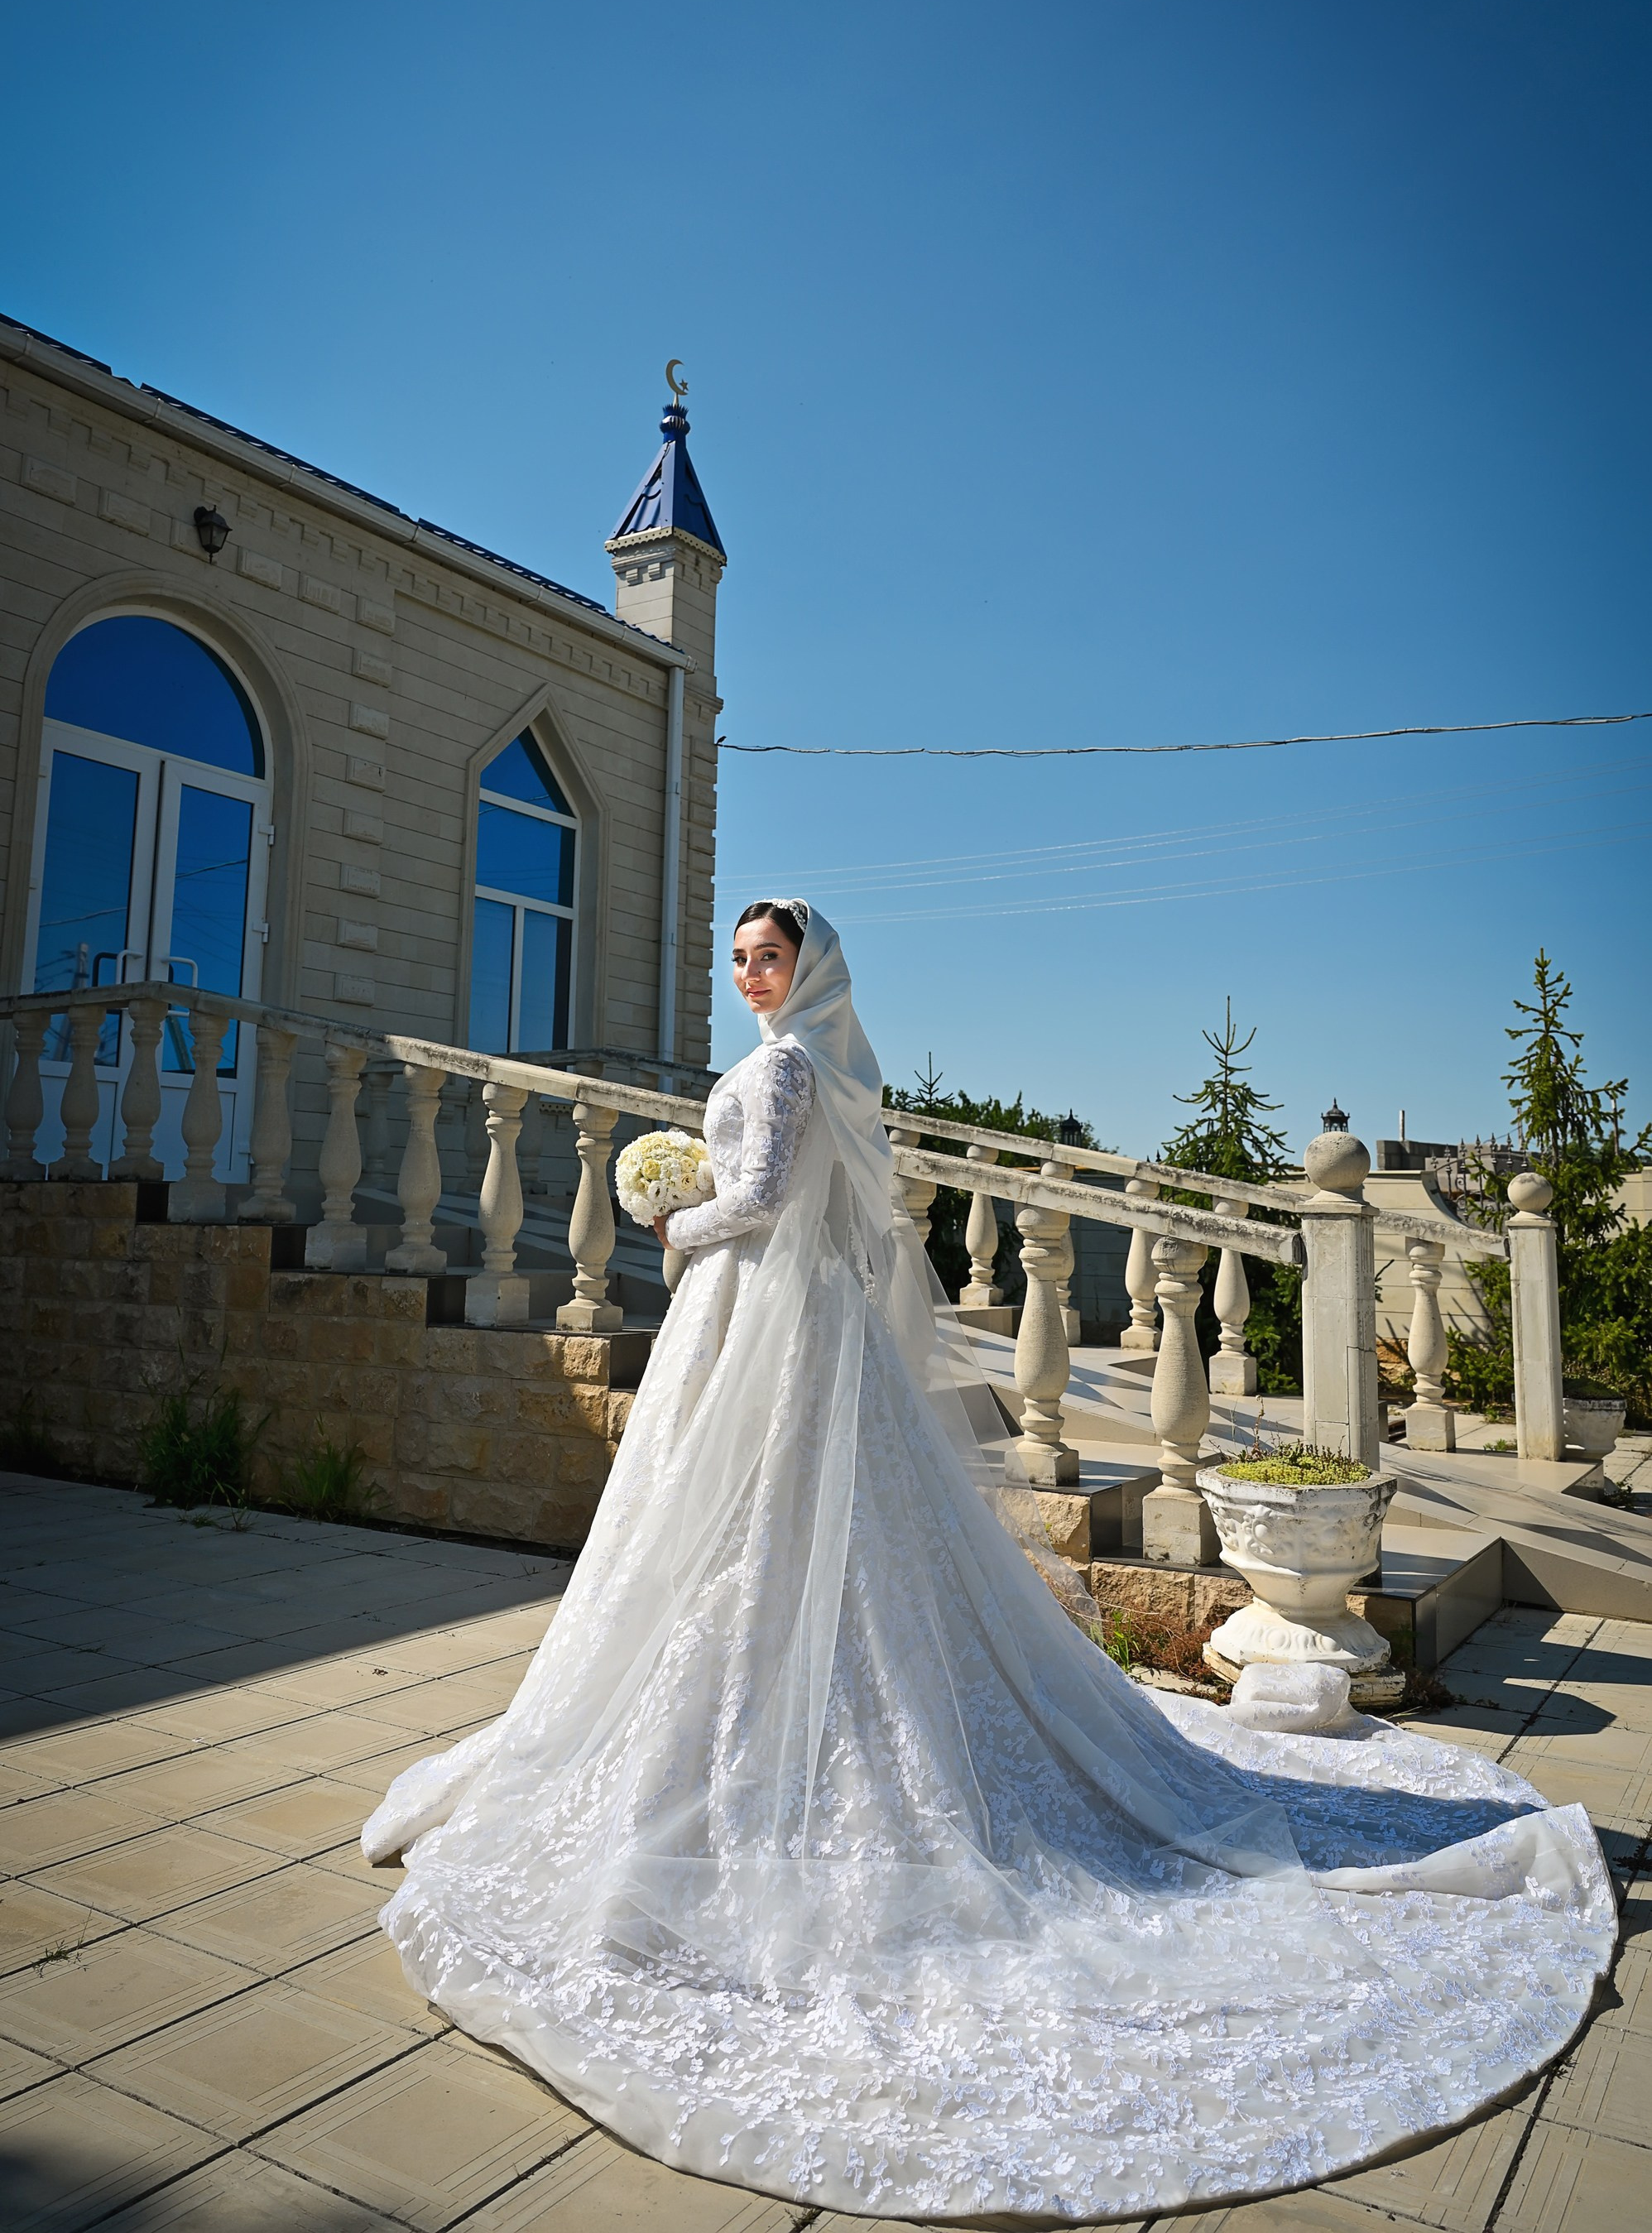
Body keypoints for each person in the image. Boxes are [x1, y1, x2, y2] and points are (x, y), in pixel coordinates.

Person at [363, 900, 1611, 2226]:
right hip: (780, 1328)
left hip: (765, 1316)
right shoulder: (823, 1063)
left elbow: (770, 1202)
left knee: (761, 1538)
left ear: (809, 966)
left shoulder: (788, 1067)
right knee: (760, 1548)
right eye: (737, 959)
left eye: (767, 957)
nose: (749, 975)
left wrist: (674, 1219)